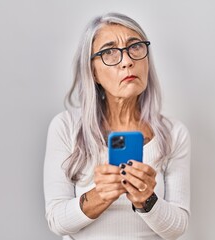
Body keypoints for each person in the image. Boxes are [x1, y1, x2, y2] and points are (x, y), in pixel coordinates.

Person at [43, 12, 191, 240]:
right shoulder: (65, 127)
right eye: (109, 52)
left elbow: (177, 227)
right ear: (93, 71)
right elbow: (57, 220)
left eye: (135, 47)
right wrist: (100, 194)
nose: (127, 61)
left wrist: (147, 200)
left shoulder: (173, 133)